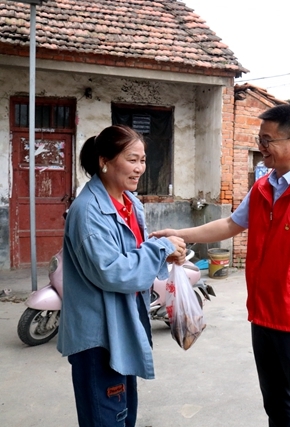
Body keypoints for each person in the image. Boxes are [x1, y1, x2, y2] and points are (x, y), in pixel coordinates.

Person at [152, 104, 290, 426]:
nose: (261, 146)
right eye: (259, 138)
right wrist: (178, 232)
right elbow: (229, 225)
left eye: (268, 140)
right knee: (275, 401)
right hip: (263, 313)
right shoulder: (263, 187)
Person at [57, 125, 187, 427]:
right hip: (99, 335)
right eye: (132, 159)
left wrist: (166, 251)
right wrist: (160, 250)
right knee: (105, 417)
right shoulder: (88, 211)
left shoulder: (131, 203)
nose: (140, 168)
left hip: (125, 323)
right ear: (105, 160)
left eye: (142, 160)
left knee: (123, 414)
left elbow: (138, 256)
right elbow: (113, 272)